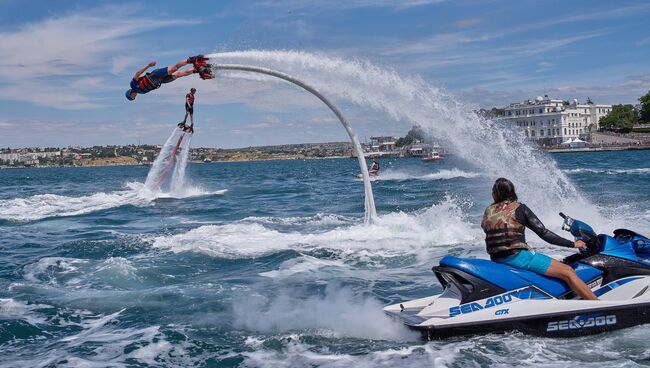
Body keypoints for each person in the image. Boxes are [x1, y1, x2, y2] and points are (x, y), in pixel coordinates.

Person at [481, 178, 598, 300]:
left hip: (496, 258)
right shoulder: (519, 208)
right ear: (512, 192)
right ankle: (599, 306)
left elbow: (490, 231)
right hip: (517, 258)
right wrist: (573, 244)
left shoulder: (488, 211)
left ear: (495, 193)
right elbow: (543, 233)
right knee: (568, 271)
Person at [125, 55, 213, 101]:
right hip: (160, 82)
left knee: (174, 69)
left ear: (130, 93)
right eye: (133, 98)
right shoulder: (142, 92)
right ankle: (196, 70)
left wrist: (148, 65)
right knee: (178, 75)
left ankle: (191, 60)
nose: (134, 97)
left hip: (154, 76)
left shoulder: (133, 85)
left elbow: (137, 73)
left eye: (132, 97)